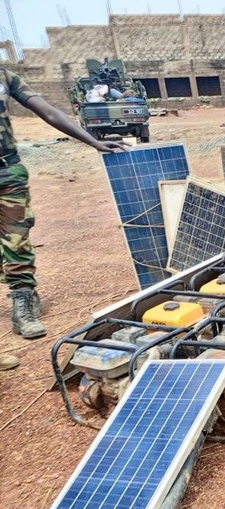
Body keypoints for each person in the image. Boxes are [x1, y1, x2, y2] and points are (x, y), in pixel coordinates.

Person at [0, 68, 126, 339]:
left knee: (16, 238)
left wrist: (93, 141)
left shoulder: (4, 76)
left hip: (7, 172)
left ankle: (24, 302)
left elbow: (48, 112)